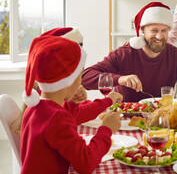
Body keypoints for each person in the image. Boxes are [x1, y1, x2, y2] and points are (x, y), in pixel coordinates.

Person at [21, 36, 122, 174]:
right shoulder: (56, 117)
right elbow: (86, 164)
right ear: (68, 79)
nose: (80, 83)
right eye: (80, 77)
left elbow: (68, 122)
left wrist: (72, 104)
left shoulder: (35, 107)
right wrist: (106, 129)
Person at [10, 28, 122, 135]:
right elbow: (76, 116)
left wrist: (76, 102)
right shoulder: (48, 98)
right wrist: (108, 101)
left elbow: (71, 112)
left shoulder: (46, 88)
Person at [82, 2, 177, 102]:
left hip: (161, 118)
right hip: (124, 117)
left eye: (164, 30)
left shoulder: (176, 56)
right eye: (154, 30)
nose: (159, 36)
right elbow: (85, 78)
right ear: (143, 30)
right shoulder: (123, 54)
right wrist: (120, 79)